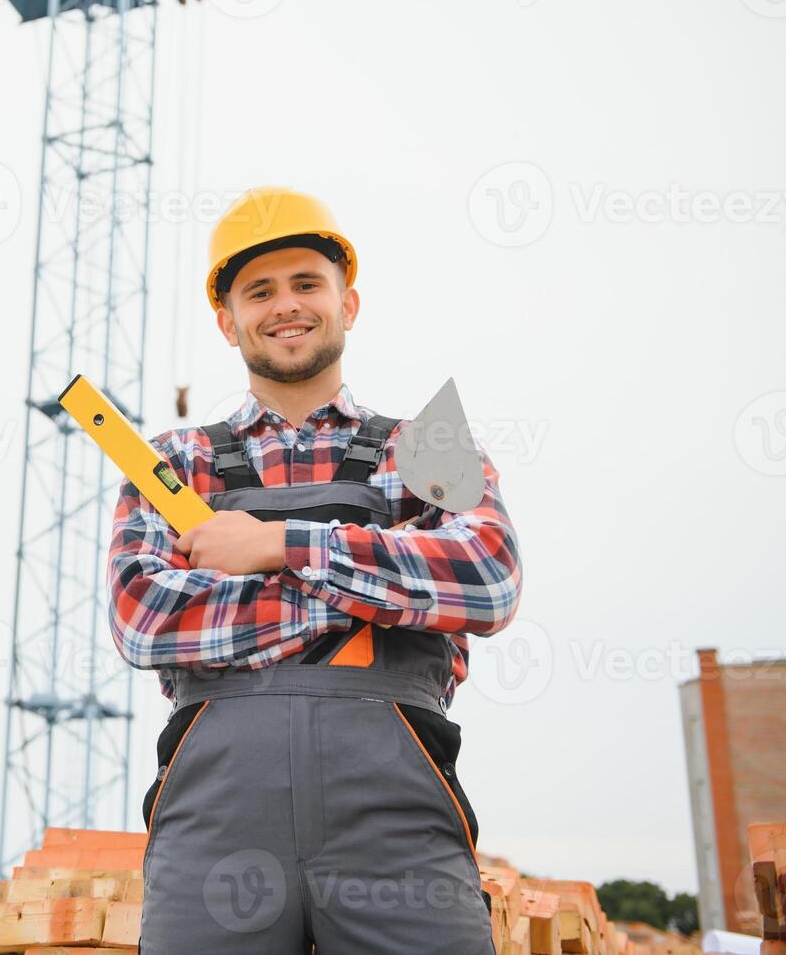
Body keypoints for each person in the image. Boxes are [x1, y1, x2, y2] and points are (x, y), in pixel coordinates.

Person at [106, 186, 523, 954]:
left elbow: (487, 577)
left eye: (307, 284)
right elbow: (145, 620)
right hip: (216, 831)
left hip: (397, 827)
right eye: (258, 291)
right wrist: (383, 594)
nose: (284, 305)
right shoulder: (171, 462)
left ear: (348, 303)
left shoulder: (423, 443)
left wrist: (283, 548)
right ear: (227, 320)